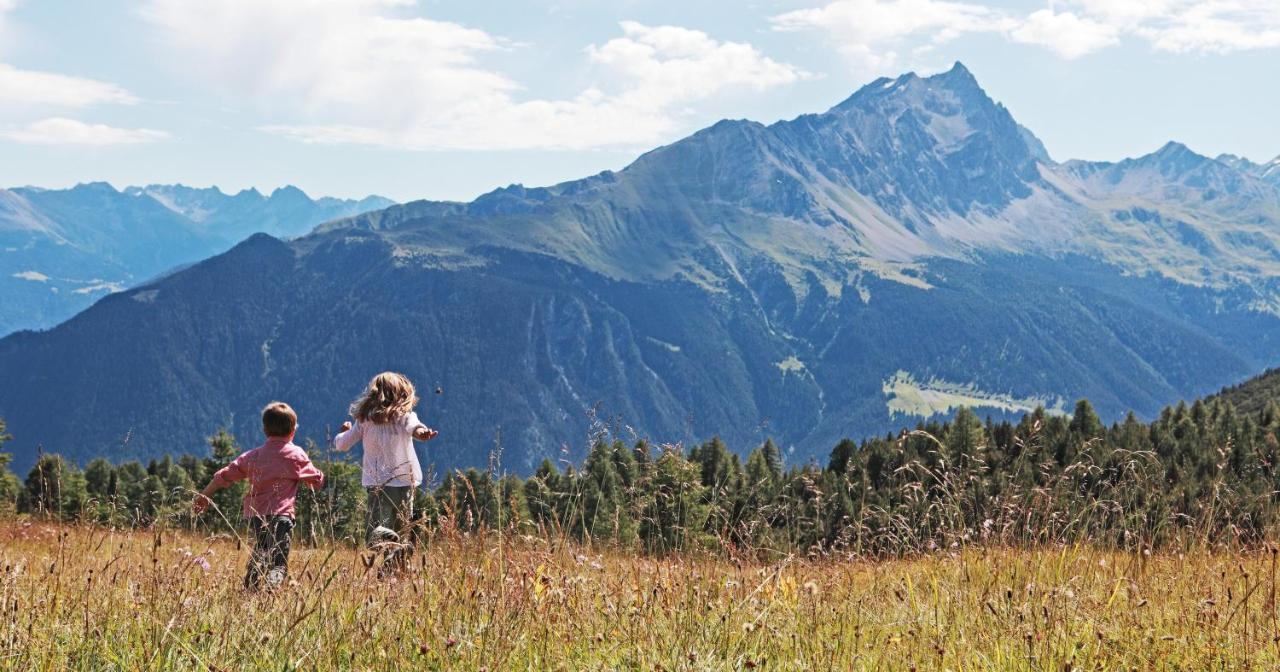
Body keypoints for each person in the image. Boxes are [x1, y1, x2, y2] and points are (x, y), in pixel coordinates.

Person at [194, 401, 324, 590]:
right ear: (293, 431)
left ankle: (250, 586)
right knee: (278, 559)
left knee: (262, 549)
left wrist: (204, 495)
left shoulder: (253, 456)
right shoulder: (297, 455)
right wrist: (319, 478)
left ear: (264, 430)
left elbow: (225, 475)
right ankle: (272, 592)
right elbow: (317, 480)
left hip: (257, 515)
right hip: (282, 515)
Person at [334, 372, 438, 574]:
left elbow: (343, 444)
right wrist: (422, 433)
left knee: (373, 534)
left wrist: (342, 432)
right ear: (403, 394)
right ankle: (393, 568)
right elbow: (415, 428)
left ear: (373, 395)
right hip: (405, 484)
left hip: (378, 484)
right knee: (402, 532)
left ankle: (387, 551)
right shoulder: (405, 417)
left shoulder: (365, 420)